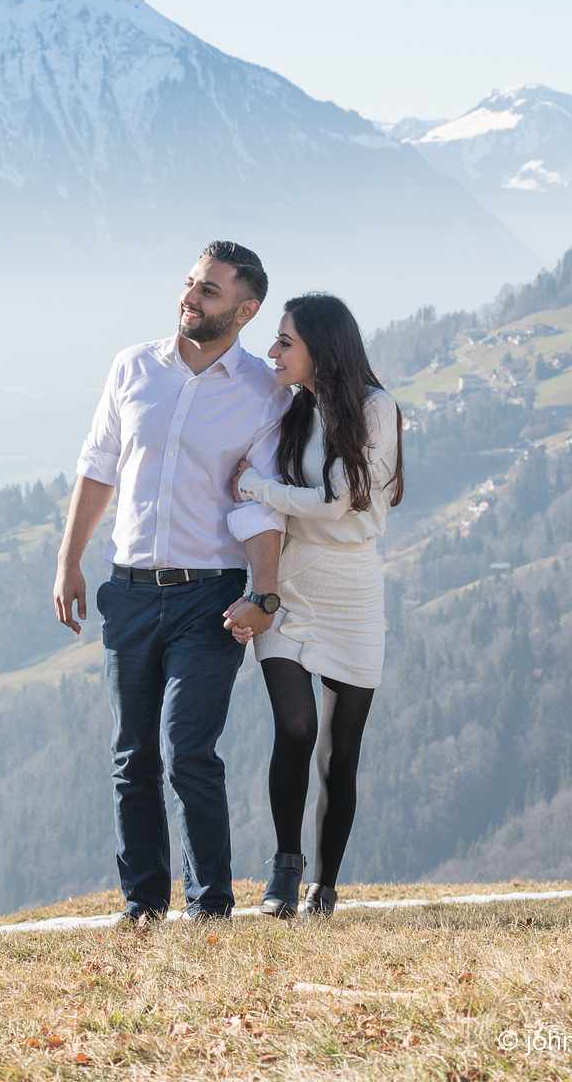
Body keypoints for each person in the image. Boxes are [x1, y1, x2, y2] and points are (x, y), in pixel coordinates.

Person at [52, 241, 288, 923]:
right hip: (127, 590)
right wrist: (69, 561)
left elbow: (258, 501)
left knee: (189, 750)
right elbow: (98, 467)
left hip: (210, 595)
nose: (190, 297)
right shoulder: (133, 367)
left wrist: (264, 593)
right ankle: (143, 908)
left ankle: (210, 909)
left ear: (245, 309)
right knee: (132, 758)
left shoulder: (260, 393)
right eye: (189, 283)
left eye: (209, 291)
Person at [221, 292, 403, 919]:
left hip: (351, 588)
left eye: (285, 342)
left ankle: (326, 885)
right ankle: (283, 870)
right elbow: (293, 505)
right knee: (294, 728)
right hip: (291, 585)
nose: (273, 352)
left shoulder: (376, 409)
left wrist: (256, 484)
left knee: (341, 744)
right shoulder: (292, 410)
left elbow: (337, 501)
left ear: (321, 349)